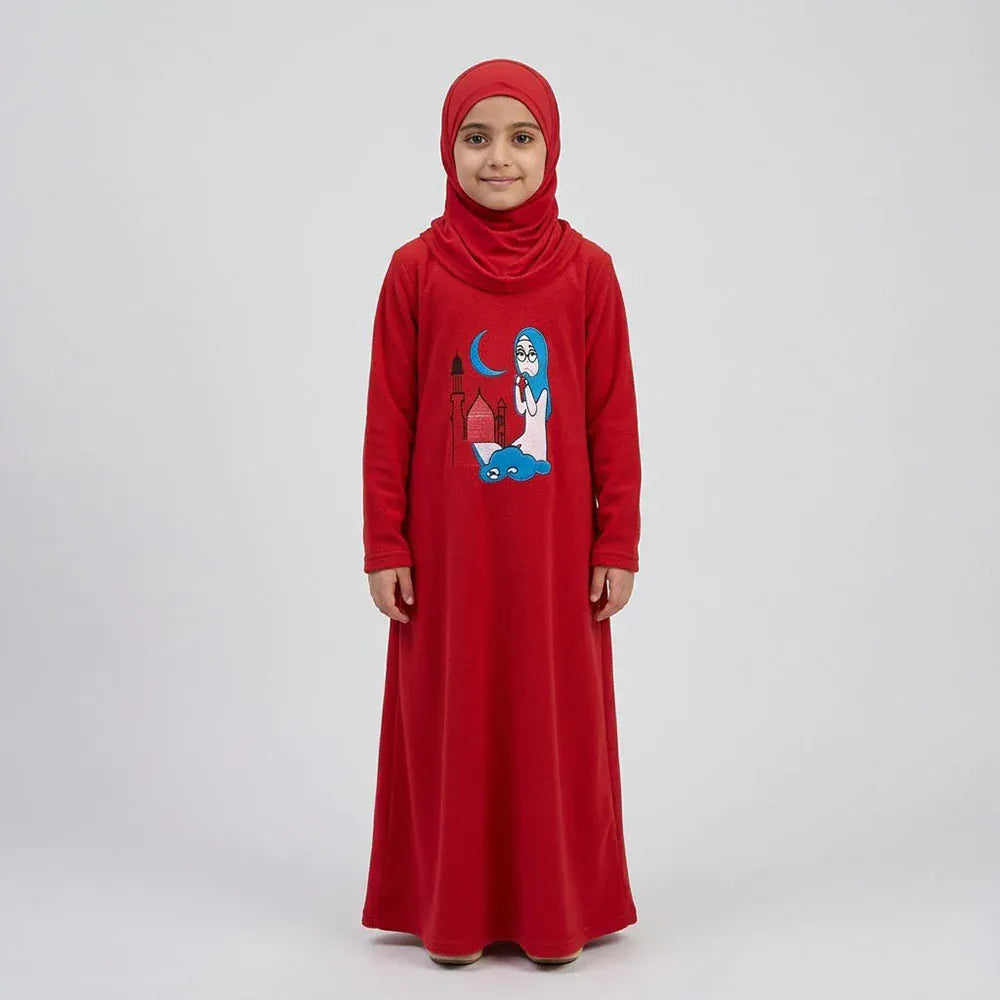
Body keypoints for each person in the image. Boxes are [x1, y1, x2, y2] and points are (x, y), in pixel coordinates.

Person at [360, 57, 642, 967]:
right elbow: (390, 418)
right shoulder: (414, 272)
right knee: (452, 713)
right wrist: (385, 543)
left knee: (553, 718)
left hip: (556, 554)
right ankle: (453, 913)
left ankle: (555, 911)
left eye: (522, 138)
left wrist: (618, 538)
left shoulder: (588, 273)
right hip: (446, 556)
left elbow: (611, 416)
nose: (499, 159)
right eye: (476, 138)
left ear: (551, 149)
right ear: (448, 150)